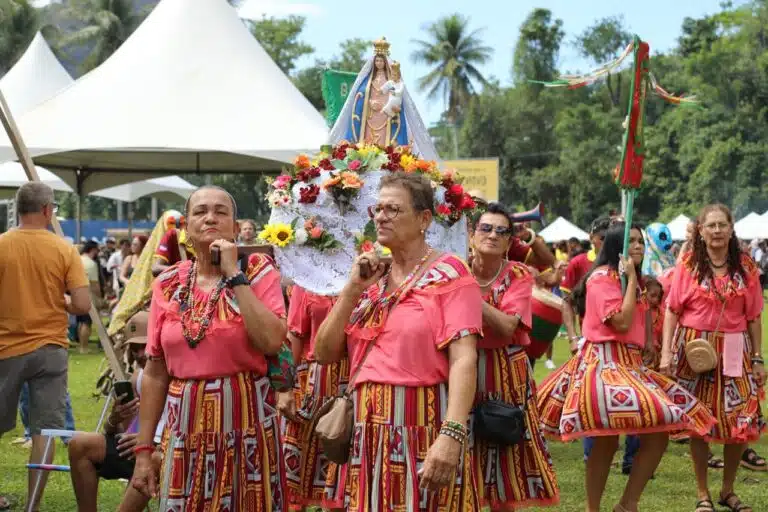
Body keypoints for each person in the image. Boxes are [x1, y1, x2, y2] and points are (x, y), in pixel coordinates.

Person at [314, 172, 482, 511]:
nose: (381, 217)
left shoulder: (449, 272)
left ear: (424, 219)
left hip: (423, 424)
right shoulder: (372, 279)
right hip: (366, 430)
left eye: (393, 209)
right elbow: (324, 353)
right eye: (378, 209)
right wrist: (351, 290)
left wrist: (451, 434)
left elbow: (464, 358)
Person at [537, 221, 715, 512]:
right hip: (604, 361)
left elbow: (643, 315)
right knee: (606, 441)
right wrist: (631, 281)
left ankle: (627, 504)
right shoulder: (601, 279)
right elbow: (620, 322)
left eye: (640, 241)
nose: (637, 246)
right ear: (615, 246)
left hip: (631, 363)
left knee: (659, 431)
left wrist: (648, 341)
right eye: (630, 241)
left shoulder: (637, 280)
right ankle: (593, 509)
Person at [130, 185, 288, 510]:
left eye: (220, 211)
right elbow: (156, 373)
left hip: (246, 427)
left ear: (235, 226)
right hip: (184, 429)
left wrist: (233, 274)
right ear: (186, 227)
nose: (210, 218)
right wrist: (144, 452)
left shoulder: (257, 271)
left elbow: (272, 341)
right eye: (200, 212)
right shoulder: (168, 283)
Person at [661, 204, 765, 512]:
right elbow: (672, 310)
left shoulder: (745, 266)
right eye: (711, 225)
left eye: (722, 224)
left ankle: (727, 490)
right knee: (698, 422)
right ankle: (703, 493)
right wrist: (666, 352)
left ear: (731, 229)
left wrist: (757, 358)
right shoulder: (689, 264)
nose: (717, 230)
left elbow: (754, 316)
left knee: (740, 420)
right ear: (701, 231)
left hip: (734, 348)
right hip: (695, 350)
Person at [0, 182, 92, 511]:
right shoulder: (63, 249)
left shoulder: (1, 244)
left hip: (6, 347)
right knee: (46, 431)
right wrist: (61, 300)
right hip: (51, 349)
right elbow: (82, 304)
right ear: (47, 210)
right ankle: (32, 506)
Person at [468, 202, 559, 510]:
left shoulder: (517, 274)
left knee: (504, 455)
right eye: (486, 228)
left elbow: (508, 327)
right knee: (463, 456)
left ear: (509, 241)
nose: (493, 235)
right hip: (460, 369)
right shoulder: (455, 270)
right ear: (472, 234)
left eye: (501, 231)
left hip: (505, 373)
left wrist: (467, 292)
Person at [68, 312, 153, 512]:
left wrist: (149, 440)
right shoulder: (137, 378)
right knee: (79, 444)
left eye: (145, 346)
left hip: (162, 451)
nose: (140, 354)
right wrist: (115, 419)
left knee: (155, 458)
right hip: (135, 448)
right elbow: (119, 431)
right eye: (134, 348)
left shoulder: (176, 373)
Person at [282, 286, 348, 510]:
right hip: (315, 383)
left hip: (354, 379)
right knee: (302, 472)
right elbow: (293, 336)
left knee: (347, 472)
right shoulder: (307, 281)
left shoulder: (372, 275)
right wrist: (284, 387)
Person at [329, 37, 438, 160]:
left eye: (381, 61)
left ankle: (386, 157)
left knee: (386, 140)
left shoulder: (392, 81)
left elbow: (396, 96)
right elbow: (361, 95)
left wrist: (384, 105)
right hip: (370, 116)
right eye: (377, 61)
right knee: (368, 139)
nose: (378, 63)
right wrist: (370, 103)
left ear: (385, 62)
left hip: (386, 115)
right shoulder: (367, 81)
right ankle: (367, 154)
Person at [77, 241, 101, 354]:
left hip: (76, 294)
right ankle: (84, 347)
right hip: (88, 295)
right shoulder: (91, 264)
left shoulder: (77, 259)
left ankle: (81, 345)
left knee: (81, 322)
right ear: (93, 250)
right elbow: (95, 284)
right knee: (87, 322)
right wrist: (100, 297)